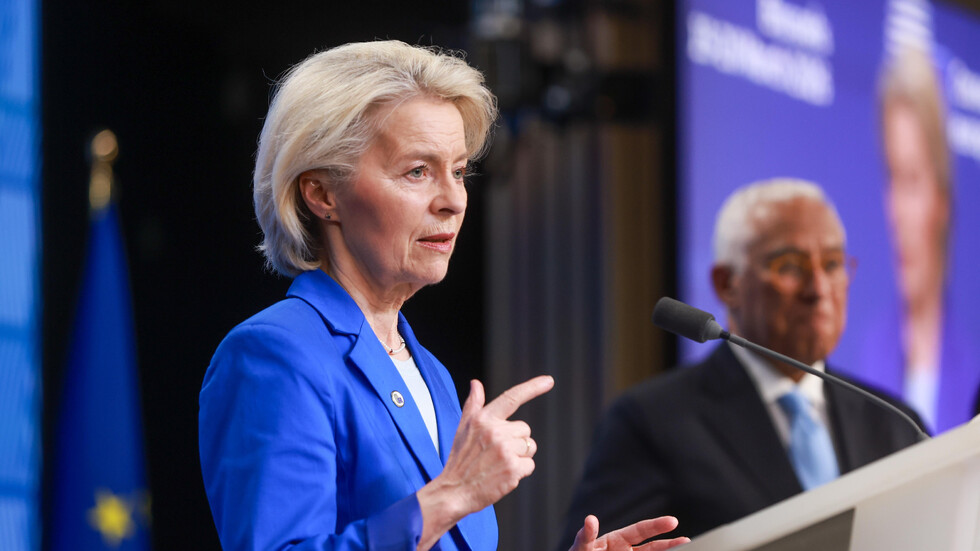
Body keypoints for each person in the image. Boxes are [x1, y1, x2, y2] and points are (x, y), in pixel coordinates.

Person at [198, 40, 690, 551]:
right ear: (322, 194)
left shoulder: (429, 372)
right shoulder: (274, 354)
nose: (454, 200)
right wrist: (452, 495)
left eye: (458, 171)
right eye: (418, 171)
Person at [555, 179, 925, 547]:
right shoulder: (650, 423)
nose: (818, 288)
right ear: (727, 283)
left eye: (832, 264)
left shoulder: (893, 422)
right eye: (790, 266)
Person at [862, 46, 980, 433]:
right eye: (892, 177)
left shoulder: (972, 361)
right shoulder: (867, 355)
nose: (897, 212)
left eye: (912, 181)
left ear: (941, 198)